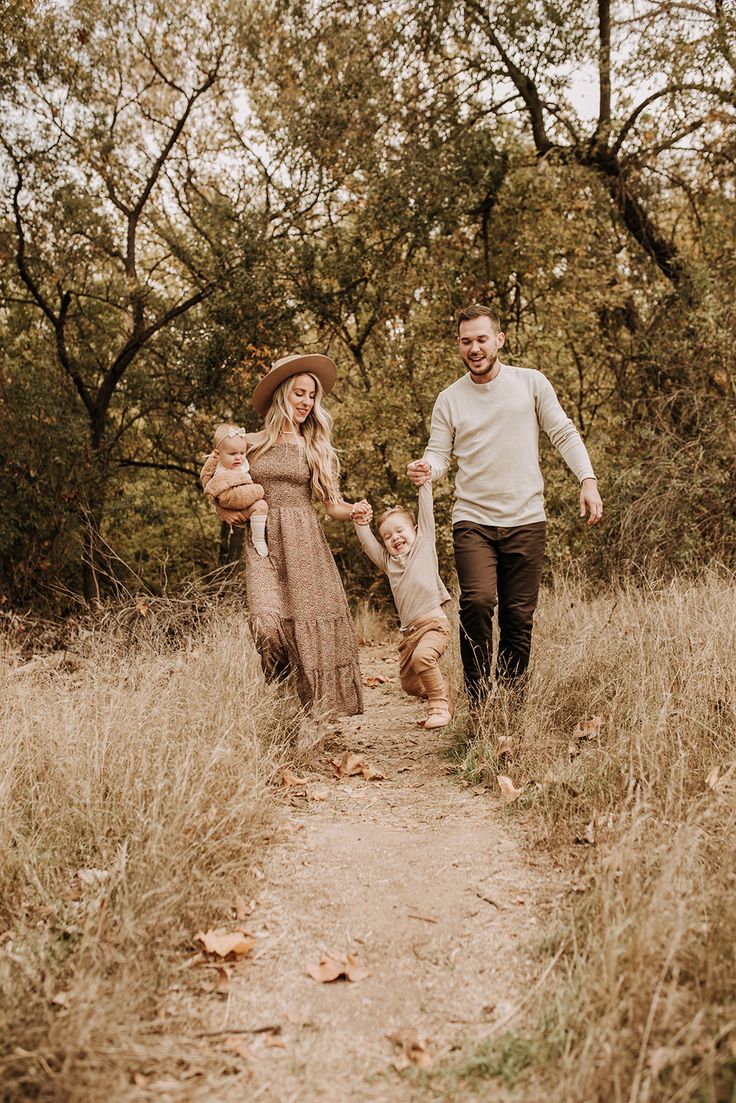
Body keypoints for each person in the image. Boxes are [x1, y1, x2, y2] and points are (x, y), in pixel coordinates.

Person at [408, 304, 603, 703]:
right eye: (466, 341)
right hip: (473, 520)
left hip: (527, 519)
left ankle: (509, 702)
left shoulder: (531, 383)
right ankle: (481, 702)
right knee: (477, 603)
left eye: (482, 339)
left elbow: (563, 433)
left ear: (499, 339)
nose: (474, 348)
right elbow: (439, 454)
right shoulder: (450, 399)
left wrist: (588, 479)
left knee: (518, 617)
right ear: (459, 346)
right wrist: (426, 467)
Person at [214, 353, 371, 717]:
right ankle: (282, 702)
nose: (306, 402)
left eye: (311, 395)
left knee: (306, 624)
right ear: (282, 394)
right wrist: (223, 508)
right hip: (263, 542)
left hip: (304, 541)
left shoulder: (313, 446)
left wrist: (354, 510)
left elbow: (332, 505)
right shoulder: (248, 442)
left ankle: (309, 716)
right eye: (299, 393)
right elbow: (214, 472)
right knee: (267, 625)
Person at [353, 481, 452, 729]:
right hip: (410, 635)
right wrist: (360, 522)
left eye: (400, 531)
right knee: (409, 685)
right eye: (387, 536)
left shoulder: (424, 545)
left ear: (416, 530)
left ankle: (439, 706)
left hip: (434, 625)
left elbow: (426, 510)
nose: (394, 537)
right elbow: (367, 543)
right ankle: (441, 690)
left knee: (423, 658)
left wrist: (424, 485)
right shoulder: (389, 564)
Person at [200, 423, 269, 557]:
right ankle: (258, 539)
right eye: (232, 454)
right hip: (230, 496)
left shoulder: (240, 461)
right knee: (258, 493)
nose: (238, 457)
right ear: (218, 455)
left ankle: (258, 539)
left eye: (242, 453)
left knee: (261, 506)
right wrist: (218, 507)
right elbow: (208, 483)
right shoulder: (220, 469)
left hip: (244, 508)